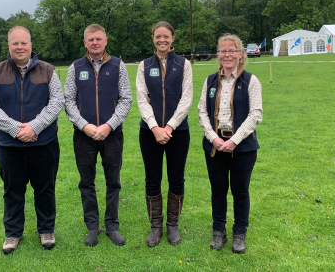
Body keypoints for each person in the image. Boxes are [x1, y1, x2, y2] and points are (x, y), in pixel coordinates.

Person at [0, 26, 64, 254]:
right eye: (15, 43)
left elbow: (57, 102)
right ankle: (13, 234)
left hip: (44, 144)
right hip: (9, 146)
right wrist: (16, 129)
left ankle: (46, 230)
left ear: (31, 45)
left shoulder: (48, 71)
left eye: (24, 43)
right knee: (12, 191)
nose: (20, 47)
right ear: (9, 46)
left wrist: (34, 126)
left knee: (45, 189)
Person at [64, 24, 132, 247]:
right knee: (87, 182)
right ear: (85, 42)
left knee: (113, 181)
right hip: (84, 136)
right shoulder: (75, 67)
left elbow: (125, 100)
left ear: (106, 40)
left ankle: (112, 225)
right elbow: (69, 102)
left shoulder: (118, 66)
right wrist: (85, 126)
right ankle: (92, 226)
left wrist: (108, 126)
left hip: (111, 135)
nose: (95, 42)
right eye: (90, 39)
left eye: (98, 39)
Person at [198, 34, 263, 254]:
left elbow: (255, 115)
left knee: (240, 191)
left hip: (243, 148)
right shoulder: (210, 81)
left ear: (240, 54)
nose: (227, 55)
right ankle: (218, 231)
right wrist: (214, 138)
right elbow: (202, 112)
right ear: (218, 55)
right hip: (214, 146)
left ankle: (239, 233)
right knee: (218, 191)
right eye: (223, 51)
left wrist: (234, 141)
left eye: (232, 51)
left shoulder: (250, 81)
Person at [136, 21, 193, 247]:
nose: (162, 40)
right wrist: (155, 127)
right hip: (149, 132)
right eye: (158, 36)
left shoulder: (184, 64)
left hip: (178, 132)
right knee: (152, 179)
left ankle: (173, 225)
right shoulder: (144, 65)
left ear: (173, 38)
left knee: (176, 178)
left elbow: (186, 98)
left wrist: (169, 127)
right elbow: (142, 97)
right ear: (153, 39)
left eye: (166, 36)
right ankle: (155, 227)